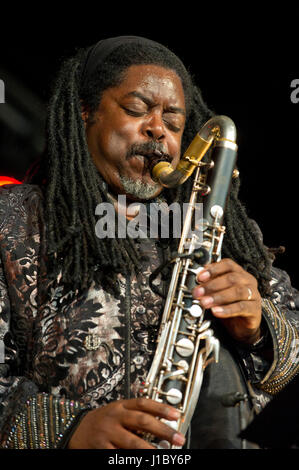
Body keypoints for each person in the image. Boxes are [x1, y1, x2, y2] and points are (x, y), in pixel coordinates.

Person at [0, 35, 298, 450]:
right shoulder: (11, 219)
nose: (158, 129)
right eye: (137, 109)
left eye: (174, 123)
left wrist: (260, 328)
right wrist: (69, 430)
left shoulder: (219, 231)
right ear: (85, 113)